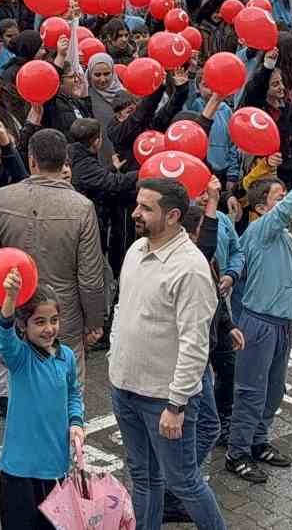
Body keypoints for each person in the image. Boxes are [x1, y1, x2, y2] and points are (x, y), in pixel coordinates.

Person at [110, 177, 225, 530]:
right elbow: (122, 310)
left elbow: (195, 344)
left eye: (146, 208)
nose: (135, 214)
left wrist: (176, 405)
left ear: (173, 215)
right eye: (137, 204)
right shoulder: (135, 250)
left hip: (163, 399)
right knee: (143, 477)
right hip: (125, 388)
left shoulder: (190, 269)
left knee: (183, 482)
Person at [221, 158, 292, 482]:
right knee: (251, 391)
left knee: (273, 390)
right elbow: (290, 208)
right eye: (277, 196)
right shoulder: (261, 230)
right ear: (260, 208)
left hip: (283, 324)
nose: (284, 200)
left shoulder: (282, 236)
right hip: (259, 324)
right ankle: (237, 453)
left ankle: (259, 441)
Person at [0, 128, 110, 382]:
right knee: (68, 388)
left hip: (19, 309)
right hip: (64, 316)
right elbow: (90, 276)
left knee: (22, 385)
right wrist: (95, 321)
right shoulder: (81, 207)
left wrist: (3, 308)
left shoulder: (3, 198)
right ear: (65, 161)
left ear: (31, 160)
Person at [0, 269, 85, 530]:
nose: (49, 328)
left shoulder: (66, 356)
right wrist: (10, 298)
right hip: (19, 472)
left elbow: (73, 394)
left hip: (57, 468)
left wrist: (76, 422)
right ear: (24, 325)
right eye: (40, 321)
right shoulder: (19, 358)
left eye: (54, 320)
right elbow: (4, 338)